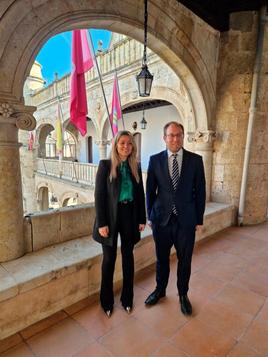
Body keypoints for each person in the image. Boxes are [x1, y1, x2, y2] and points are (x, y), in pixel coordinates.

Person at [145, 122, 206, 315]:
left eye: (178, 135)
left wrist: (199, 219)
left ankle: (182, 295)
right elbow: (150, 191)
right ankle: (160, 290)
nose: (175, 139)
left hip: (186, 221)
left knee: (185, 260)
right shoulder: (155, 160)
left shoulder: (196, 160)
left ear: (183, 136)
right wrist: (150, 216)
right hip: (161, 220)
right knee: (161, 259)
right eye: (171, 135)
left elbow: (201, 192)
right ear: (164, 138)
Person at [93, 130, 146, 317]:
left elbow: (140, 195)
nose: (126, 146)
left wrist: (142, 218)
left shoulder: (135, 166)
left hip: (129, 215)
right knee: (109, 260)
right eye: (122, 143)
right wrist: (102, 223)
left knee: (128, 257)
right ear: (115, 145)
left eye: (129, 143)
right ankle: (106, 301)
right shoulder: (105, 165)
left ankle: (127, 299)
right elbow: (99, 196)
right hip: (110, 217)